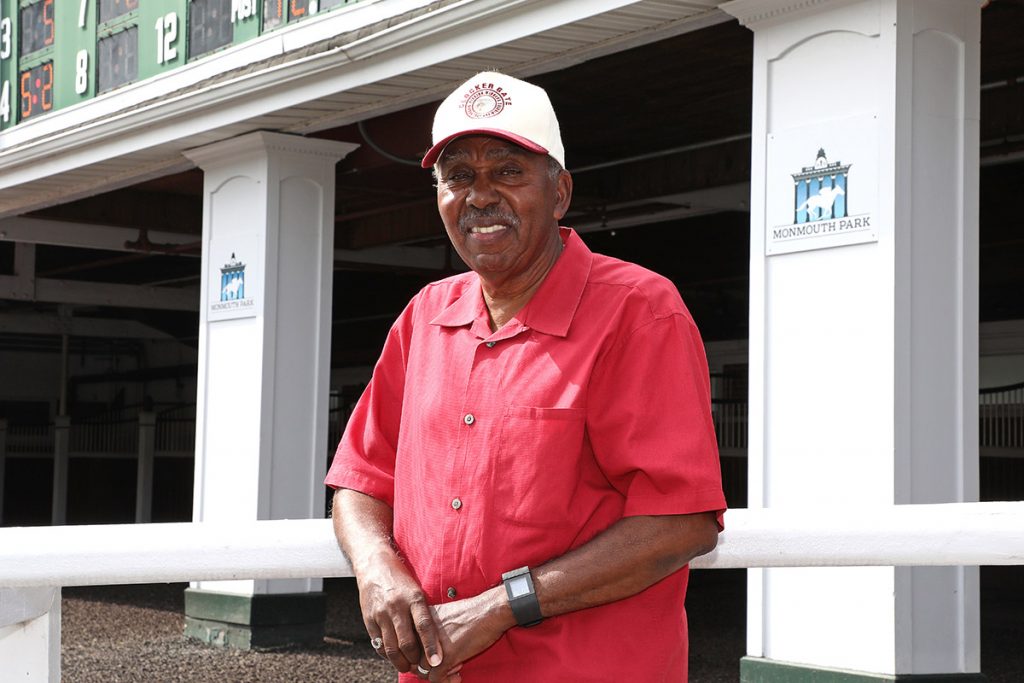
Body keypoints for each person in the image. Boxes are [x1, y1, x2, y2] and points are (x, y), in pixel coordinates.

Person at [326, 71, 726, 683]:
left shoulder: (639, 311)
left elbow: (681, 521)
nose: (479, 195)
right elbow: (360, 480)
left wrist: (499, 608)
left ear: (560, 192)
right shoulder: (425, 317)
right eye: (457, 176)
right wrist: (376, 565)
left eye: (508, 172)